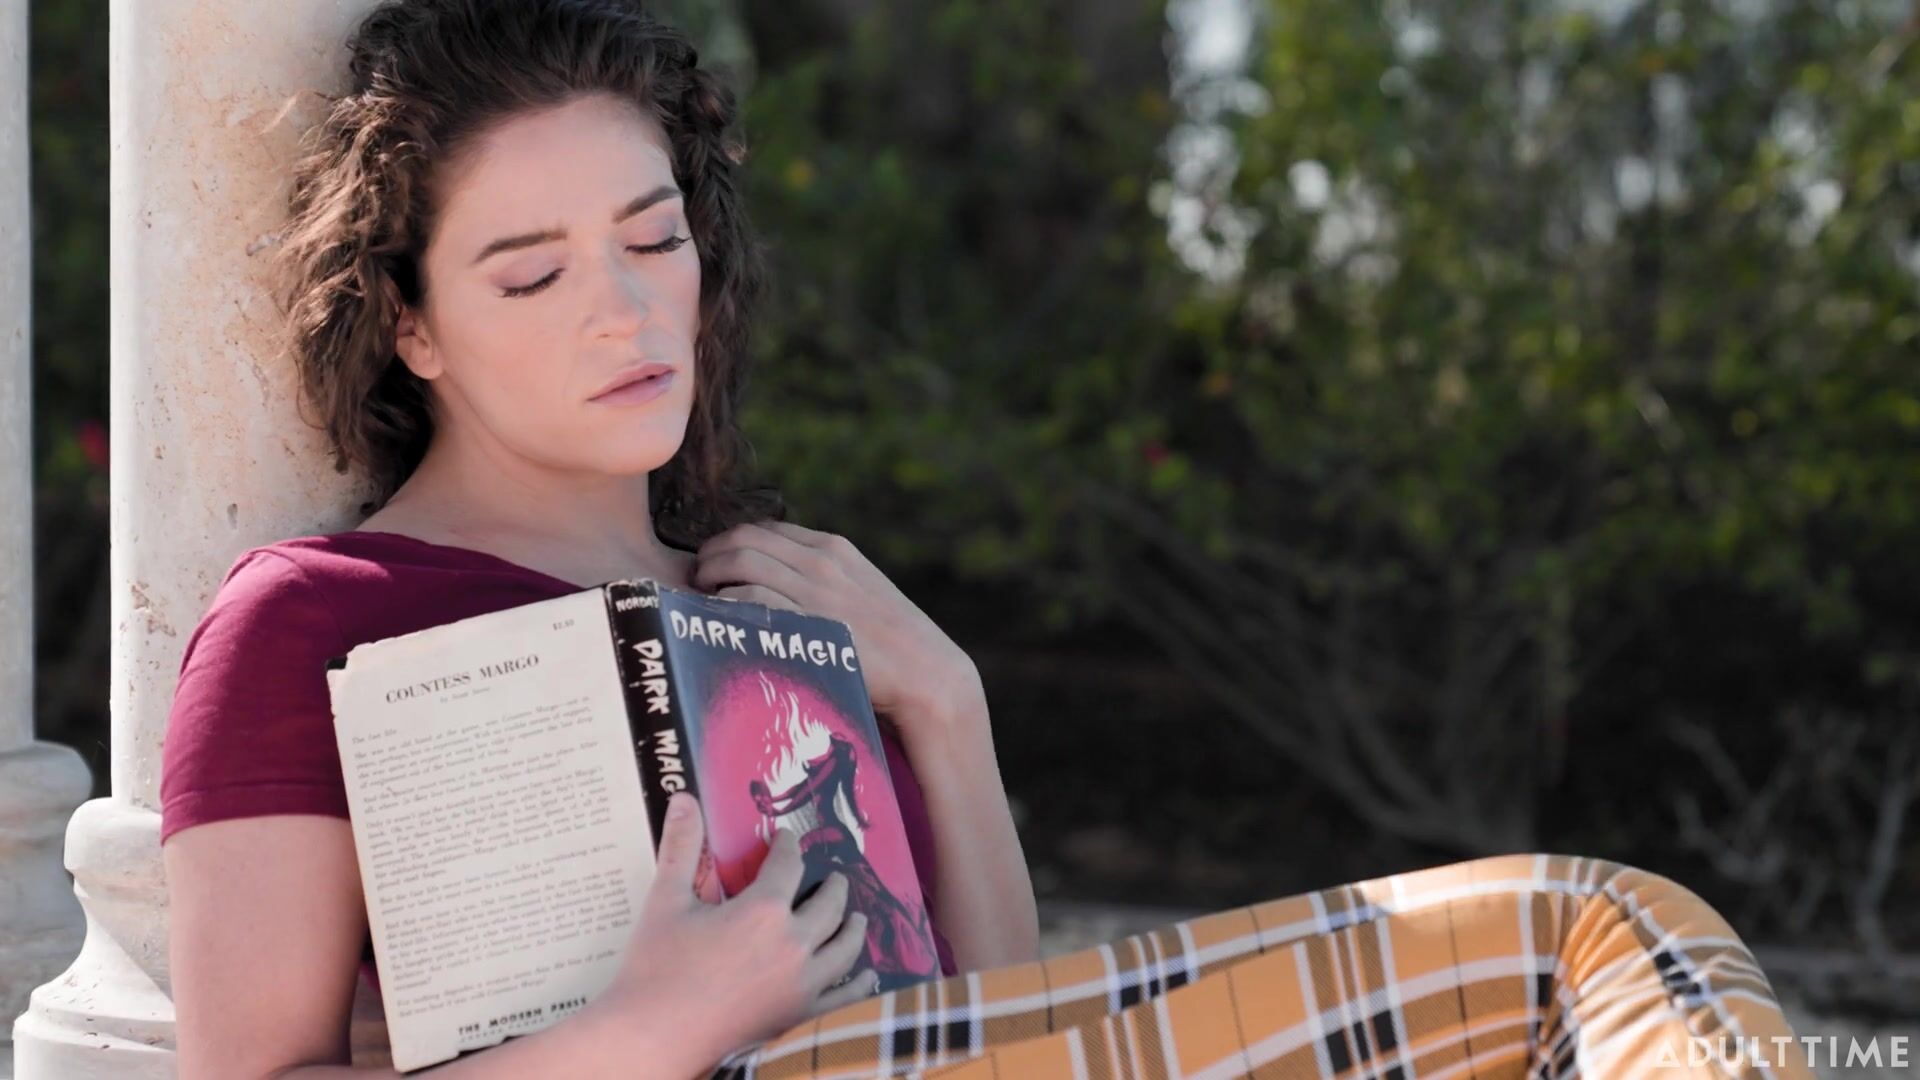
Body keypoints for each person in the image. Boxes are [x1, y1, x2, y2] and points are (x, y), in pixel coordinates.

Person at [157, 1, 1816, 1077]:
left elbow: (1000, 1025)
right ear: (414, 325)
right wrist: (653, 1028)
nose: (623, 309)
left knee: (1609, 950)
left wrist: (943, 702)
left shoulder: (771, 592)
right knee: (1583, 930)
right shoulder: (315, 617)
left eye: (653, 241)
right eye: (530, 273)